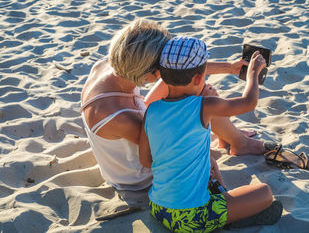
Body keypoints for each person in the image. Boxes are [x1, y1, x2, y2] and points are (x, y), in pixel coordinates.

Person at [80, 19, 267, 193]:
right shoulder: (118, 116)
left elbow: (180, 71)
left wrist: (228, 67)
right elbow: (164, 151)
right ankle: (234, 144)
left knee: (199, 94)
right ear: (150, 73)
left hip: (142, 128)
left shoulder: (112, 65)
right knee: (201, 103)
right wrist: (205, 130)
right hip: (138, 176)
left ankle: (236, 141)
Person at [140, 36, 282, 232]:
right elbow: (248, 102)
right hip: (192, 217)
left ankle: (225, 203)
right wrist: (253, 74)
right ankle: (229, 218)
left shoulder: (151, 110)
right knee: (264, 193)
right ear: (199, 78)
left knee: (210, 166)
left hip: (158, 208)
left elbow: (146, 161)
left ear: (162, 76)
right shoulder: (204, 105)